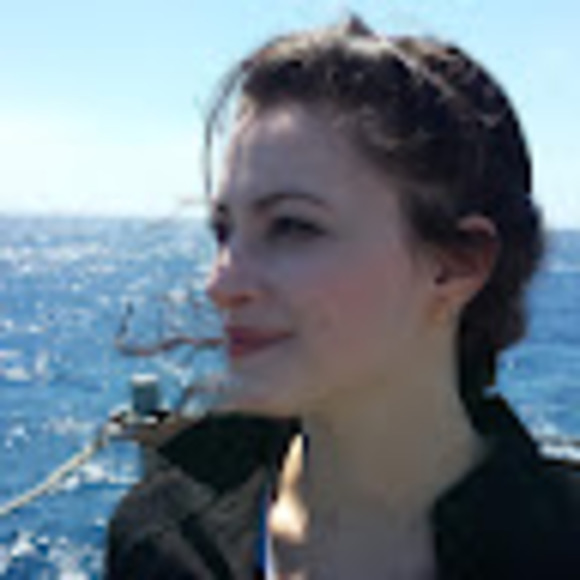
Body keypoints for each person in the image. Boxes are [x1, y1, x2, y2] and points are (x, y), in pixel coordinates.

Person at [105, 16, 580, 579]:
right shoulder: (161, 541)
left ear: (457, 263)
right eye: (224, 231)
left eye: (292, 226)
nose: (221, 285)